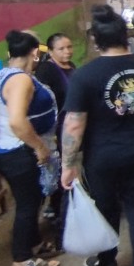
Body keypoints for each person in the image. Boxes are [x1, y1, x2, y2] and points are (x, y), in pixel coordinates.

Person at [60, 5, 134, 266]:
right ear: (126, 36)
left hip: (102, 154)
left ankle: (107, 261)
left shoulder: (85, 75)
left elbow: (74, 123)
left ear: (96, 41)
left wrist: (68, 163)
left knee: (106, 206)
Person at [0, 30, 61, 266]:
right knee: (28, 205)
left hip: (7, 149)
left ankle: (34, 243)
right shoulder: (21, 80)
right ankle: (21, 261)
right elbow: (18, 122)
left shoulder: (7, 73)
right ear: (34, 52)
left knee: (31, 201)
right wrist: (39, 146)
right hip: (18, 151)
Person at [33, 33, 76, 222]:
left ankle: (68, 203)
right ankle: (55, 206)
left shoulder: (71, 67)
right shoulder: (46, 71)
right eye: (61, 49)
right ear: (50, 51)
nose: (67, 51)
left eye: (69, 47)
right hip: (54, 128)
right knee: (56, 168)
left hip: (71, 125)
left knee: (69, 165)